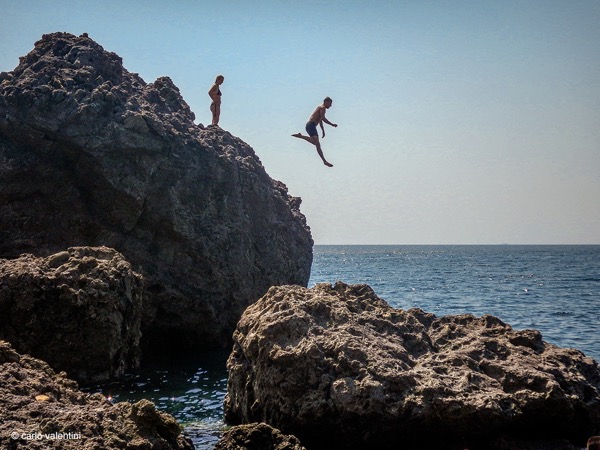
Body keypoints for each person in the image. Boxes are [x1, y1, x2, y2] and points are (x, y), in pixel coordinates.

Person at [292, 97, 338, 167]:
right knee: (317, 143)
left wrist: (323, 131)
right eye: (330, 104)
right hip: (311, 125)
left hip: (311, 125)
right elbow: (323, 119)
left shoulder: (321, 109)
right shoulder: (322, 108)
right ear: (326, 102)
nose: (330, 106)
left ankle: (324, 161)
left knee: (317, 144)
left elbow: (321, 121)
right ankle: (301, 136)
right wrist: (332, 124)